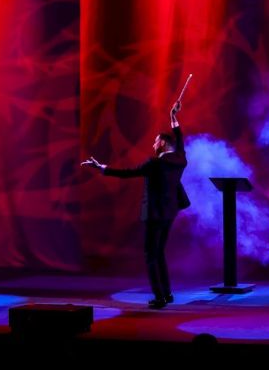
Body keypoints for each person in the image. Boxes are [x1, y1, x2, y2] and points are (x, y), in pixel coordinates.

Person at [81, 101, 190, 309]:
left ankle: (159, 297)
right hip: (169, 213)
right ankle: (167, 293)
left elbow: (127, 173)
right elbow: (180, 140)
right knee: (160, 253)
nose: (153, 145)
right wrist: (173, 117)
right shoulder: (180, 159)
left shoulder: (154, 163)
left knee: (151, 255)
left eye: (155, 141)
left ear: (163, 143)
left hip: (154, 214)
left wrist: (102, 167)